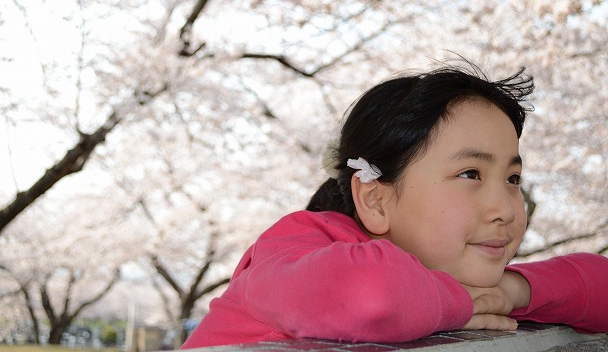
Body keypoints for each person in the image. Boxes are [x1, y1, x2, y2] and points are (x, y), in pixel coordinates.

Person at [182, 62, 608, 349]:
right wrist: (459, 299)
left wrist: (513, 291)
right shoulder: (297, 244)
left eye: (513, 178)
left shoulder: (439, 276)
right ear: (375, 198)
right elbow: (374, 295)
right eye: (470, 174)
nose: (505, 207)